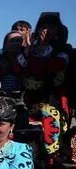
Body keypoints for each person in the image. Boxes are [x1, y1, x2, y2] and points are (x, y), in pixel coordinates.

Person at [19, 12, 70, 159]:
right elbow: (18, 67)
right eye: (43, 27)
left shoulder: (63, 50)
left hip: (53, 101)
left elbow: (52, 67)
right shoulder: (29, 49)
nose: (46, 31)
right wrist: (31, 48)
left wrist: (42, 48)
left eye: (51, 27)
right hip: (29, 102)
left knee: (52, 139)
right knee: (30, 138)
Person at [0, 31, 25, 96]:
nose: (15, 43)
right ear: (6, 43)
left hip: (24, 95)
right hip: (5, 95)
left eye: (18, 40)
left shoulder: (28, 57)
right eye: (12, 40)